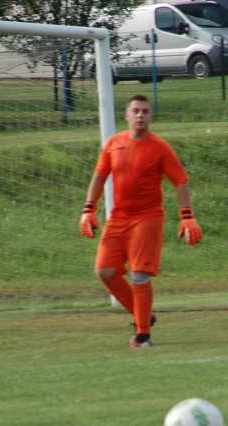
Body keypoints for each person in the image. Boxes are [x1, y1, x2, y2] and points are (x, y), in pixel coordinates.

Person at [79, 95, 203, 349]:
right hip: (118, 218)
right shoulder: (114, 144)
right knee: (104, 271)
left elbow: (180, 180)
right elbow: (99, 177)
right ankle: (142, 314)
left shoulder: (160, 147)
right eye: (135, 111)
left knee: (139, 275)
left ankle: (142, 334)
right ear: (127, 115)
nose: (140, 115)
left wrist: (187, 216)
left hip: (148, 218)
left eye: (145, 111)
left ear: (150, 116)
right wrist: (88, 209)